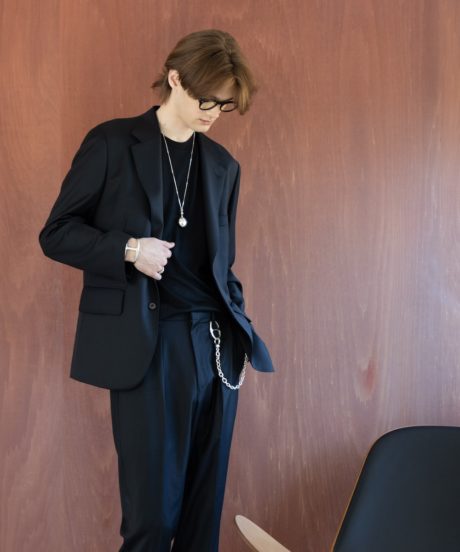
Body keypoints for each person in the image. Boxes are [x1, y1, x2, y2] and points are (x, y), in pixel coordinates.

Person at [38, 29, 274, 552]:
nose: (214, 113)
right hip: (149, 345)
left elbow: (223, 266)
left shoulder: (223, 167)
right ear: (175, 79)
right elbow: (56, 233)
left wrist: (238, 328)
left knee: (201, 521)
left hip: (217, 350)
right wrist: (129, 249)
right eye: (207, 99)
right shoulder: (112, 143)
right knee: (152, 519)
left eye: (225, 105)